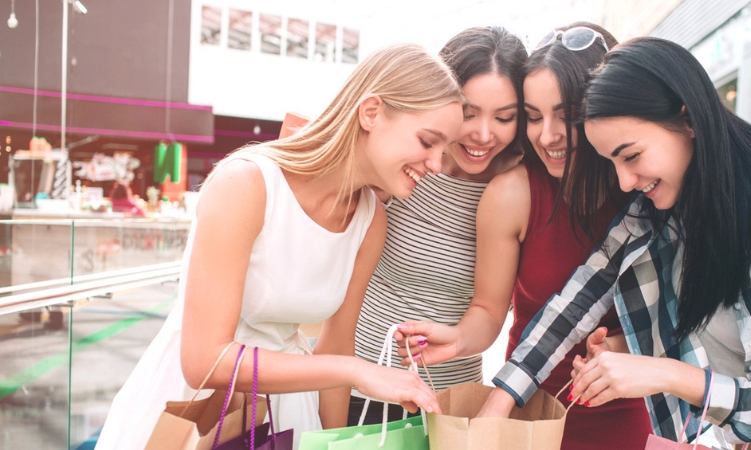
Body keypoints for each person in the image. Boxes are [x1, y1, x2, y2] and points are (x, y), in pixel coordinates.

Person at [478, 37, 751, 449]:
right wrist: (499, 403)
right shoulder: (660, 210)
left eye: (631, 156)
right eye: (612, 162)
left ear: (687, 120)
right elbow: (575, 304)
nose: (624, 182)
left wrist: (669, 374)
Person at [94, 43, 464, 450]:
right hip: (199, 410)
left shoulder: (370, 220)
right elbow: (205, 361)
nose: (437, 164)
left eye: (444, 149)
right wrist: (354, 371)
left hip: (289, 409)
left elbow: (337, 342)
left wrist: (330, 441)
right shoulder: (246, 184)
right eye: (429, 141)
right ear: (371, 112)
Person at [393, 23, 652, 449]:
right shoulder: (513, 191)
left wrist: (629, 343)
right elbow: (489, 308)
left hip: (624, 408)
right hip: (525, 408)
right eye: (532, 117)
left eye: (565, 116)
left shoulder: (642, 187)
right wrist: (459, 339)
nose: (547, 135)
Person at [348, 26, 527, 425]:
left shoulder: (516, 189)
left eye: (504, 118)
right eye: (468, 112)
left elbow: (489, 308)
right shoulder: (407, 157)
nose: (483, 134)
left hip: (445, 403)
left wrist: (457, 340)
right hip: (358, 381)